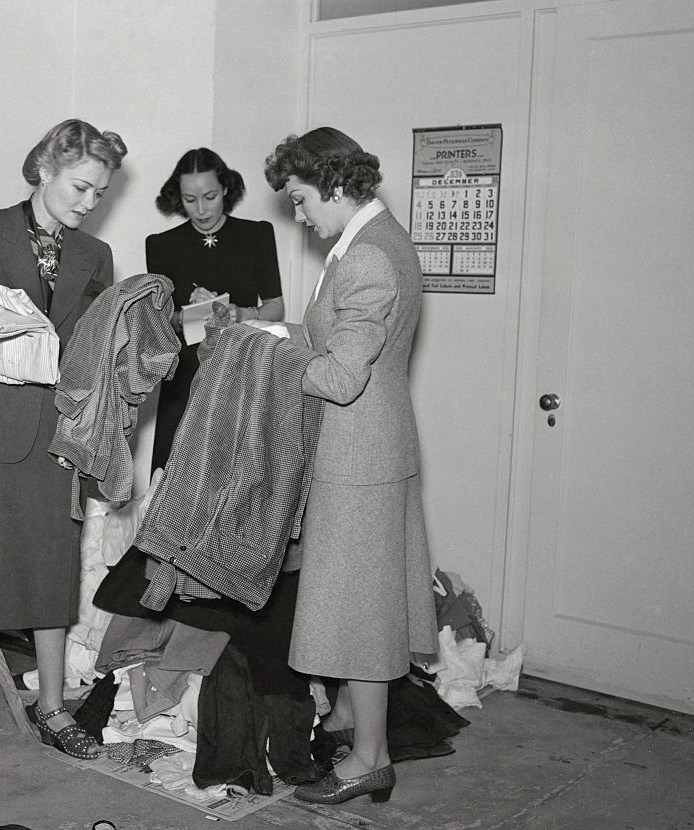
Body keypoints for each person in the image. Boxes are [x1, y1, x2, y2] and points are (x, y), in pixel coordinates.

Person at [0, 119, 127, 785]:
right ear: (46, 167)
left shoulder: (96, 255)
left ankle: (51, 708)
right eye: (80, 186)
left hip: (58, 428)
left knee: (52, 570)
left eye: (99, 194)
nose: (87, 202)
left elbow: (99, 344)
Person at [262, 127, 438, 805]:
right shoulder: (377, 240)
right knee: (358, 599)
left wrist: (267, 361)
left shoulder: (366, 258)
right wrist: (275, 333)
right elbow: (337, 337)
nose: (299, 215)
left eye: (303, 200)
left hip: (358, 452)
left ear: (335, 185)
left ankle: (371, 757)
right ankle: (346, 718)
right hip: (370, 446)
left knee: (361, 610)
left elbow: (339, 377)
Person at [145, 148, 284, 473]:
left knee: (238, 479)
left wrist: (238, 313)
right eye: (190, 199)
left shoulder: (256, 235)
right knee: (175, 478)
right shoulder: (161, 245)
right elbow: (157, 321)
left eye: (210, 196)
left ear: (225, 188)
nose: (202, 209)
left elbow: (276, 308)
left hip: (243, 367)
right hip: (185, 376)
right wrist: (186, 315)